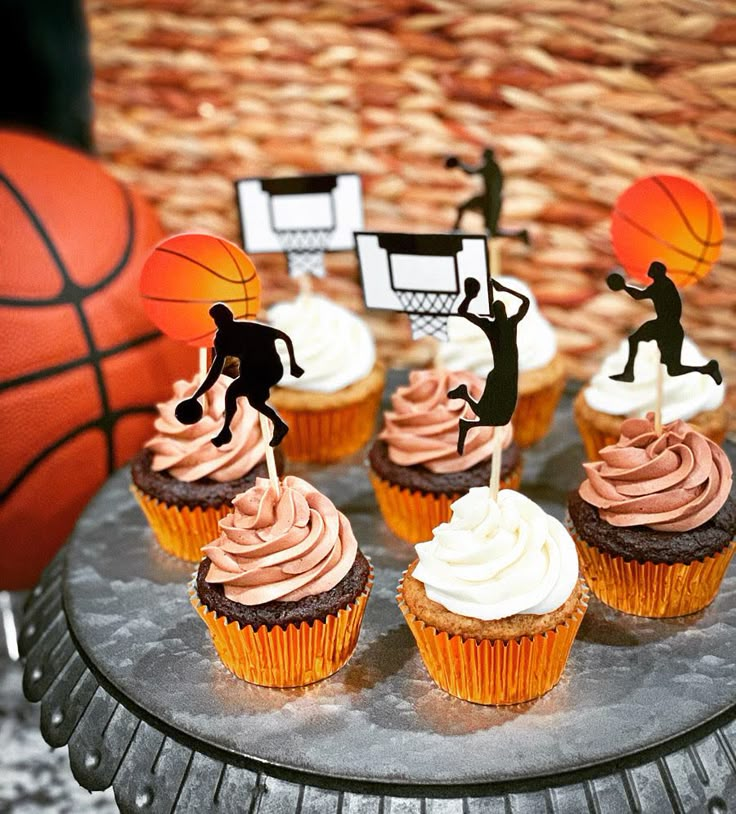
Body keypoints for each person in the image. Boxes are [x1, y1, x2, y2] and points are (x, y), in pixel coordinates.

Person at [175, 303, 304, 448]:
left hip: (270, 369)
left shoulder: (248, 328)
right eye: (217, 319)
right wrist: (197, 395)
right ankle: (274, 426)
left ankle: (227, 432)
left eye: (221, 317)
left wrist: (293, 365)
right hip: (250, 372)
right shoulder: (222, 338)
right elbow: (215, 371)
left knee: (237, 394)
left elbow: (283, 336)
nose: (220, 321)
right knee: (246, 398)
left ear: (229, 316)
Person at [447, 277, 530, 454]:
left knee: (498, 415)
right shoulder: (505, 324)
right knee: (500, 415)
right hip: (504, 373)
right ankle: (466, 402)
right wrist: (502, 290)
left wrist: (474, 296)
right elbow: (525, 301)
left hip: (504, 372)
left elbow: (526, 302)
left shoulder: (498, 324)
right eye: (498, 309)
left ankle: (467, 411)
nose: (501, 311)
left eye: (501, 308)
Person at [607, 261, 721, 384]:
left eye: (651, 269)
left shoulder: (661, 285)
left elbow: (639, 295)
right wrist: (625, 286)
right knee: (634, 340)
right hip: (663, 324)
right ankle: (629, 373)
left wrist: (624, 286)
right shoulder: (660, 284)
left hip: (668, 327)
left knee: (674, 370)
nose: (649, 271)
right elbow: (640, 295)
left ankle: (708, 369)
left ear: (657, 272)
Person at [445, 147, 530, 244]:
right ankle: (456, 229)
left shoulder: (490, 167)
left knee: (492, 232)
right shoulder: (490, 166)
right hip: (486, 198)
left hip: (492, 201)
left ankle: (520, 234)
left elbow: (472, 172)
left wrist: (459, 164)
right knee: (462, 208)